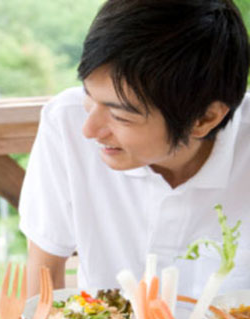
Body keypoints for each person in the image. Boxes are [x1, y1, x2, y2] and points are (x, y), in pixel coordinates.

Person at [19, 0, 250, 297]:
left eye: (120, 116)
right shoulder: (65, 122)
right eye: (89, 95)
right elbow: (43, 274)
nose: (89, 130)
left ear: (204, 119)